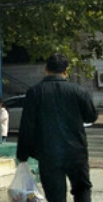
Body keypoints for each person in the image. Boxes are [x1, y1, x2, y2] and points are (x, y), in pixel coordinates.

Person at [16, 53, 98, 202]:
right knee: (82, 189)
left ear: (46, 69)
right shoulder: (78, 91)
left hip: (48, 154)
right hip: (76, 152)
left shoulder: (35, 92)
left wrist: (22, 154)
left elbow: (27, 126)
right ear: (66, 71)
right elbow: (91, 117)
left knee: (55, 196)